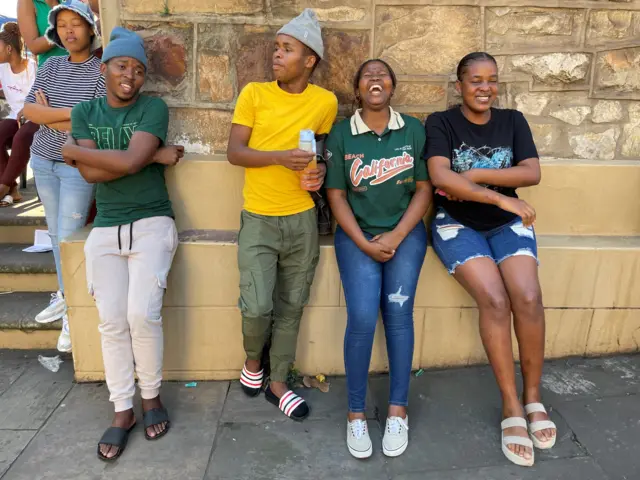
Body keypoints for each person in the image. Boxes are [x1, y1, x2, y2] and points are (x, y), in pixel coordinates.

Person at [425, 52, 556, 467]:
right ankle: (511, 405)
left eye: (492, 80)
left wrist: (477, 176)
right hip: (456, 223)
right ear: (460, 85)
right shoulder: (441, 122)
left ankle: (534, 398)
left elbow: (531, 172)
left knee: (528, 297)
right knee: (496, 300)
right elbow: (441, 177)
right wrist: (499, 194)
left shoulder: (512, 121)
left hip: (506, 224)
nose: (485, 88)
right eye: (476, 80)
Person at [61, 26, 183, 462]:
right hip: (106, 229)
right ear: (104, 67)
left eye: (137, 68)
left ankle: (151, 397)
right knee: (111, 320)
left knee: (141, 314)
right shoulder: (84, 112)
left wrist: (77, 152)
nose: (129, 74)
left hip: (152, 222)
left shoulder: (153, 107)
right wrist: (149, 156)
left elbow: (127, 161)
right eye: (120, 65)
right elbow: (95, 177)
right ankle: (122, 408)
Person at [227, 9, 338, 420]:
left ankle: (278, 382)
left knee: (293, 304)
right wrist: (279, 157)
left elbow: (322, 153)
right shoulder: (255, 94)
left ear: (309, 61)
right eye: (276, 47)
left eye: (287, 49)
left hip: (302, 220)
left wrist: (320, 171)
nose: (277, 55)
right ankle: (253, 361)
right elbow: (234, 152)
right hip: (258, 217)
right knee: (256, 307)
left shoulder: (324, 102)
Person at [325, 59, 431, 459]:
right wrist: (367, 243)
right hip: (357, 238)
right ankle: (355, 414)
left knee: (399, 314)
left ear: (392, 87)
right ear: (357, 91)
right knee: (364, 317)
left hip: (405, 234)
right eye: (367, 75)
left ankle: (397, 410)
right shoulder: (341, 134)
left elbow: (424, 189)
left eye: (382, 74)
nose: (375, 79)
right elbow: (336, 196)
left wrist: (398, 235)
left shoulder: (413, 130)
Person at [23, 0, 104, 352]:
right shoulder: (51, 65)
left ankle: (74, 310)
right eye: (63, 25)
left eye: (77, 23)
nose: (69, 30)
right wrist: (68, 114)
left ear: (90, 29)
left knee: (71, 236)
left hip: (75, 166)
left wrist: (48, 113)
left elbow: (93, 120)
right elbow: (28, 110)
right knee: (56, 233)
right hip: (43, 159)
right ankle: (65, 295)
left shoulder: (101, 70)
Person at [0, 22, 38, 206]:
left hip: (36, 116)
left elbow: (40, 95)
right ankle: (12, 189)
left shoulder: (32, 67)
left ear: (8, 48)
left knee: (20, 138)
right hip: (15, 116)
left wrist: (28, 108)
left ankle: (3, 187)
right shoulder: (2, 68)